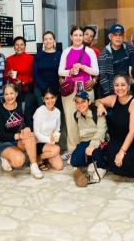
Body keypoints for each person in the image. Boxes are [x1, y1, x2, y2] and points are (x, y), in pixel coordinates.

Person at [95, 75, 134, 179]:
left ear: (128, 87)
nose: (119, 88)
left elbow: (132, 132)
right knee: (110, 157)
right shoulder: (113, 99)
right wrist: (100, 105)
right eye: (117, 85)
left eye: (123, 85)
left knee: (125, 161)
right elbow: (97, 101)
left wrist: (121, 152)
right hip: (120, 137)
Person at [58, 26, 99, 159]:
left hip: (86, 89)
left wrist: (83, 67)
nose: (78, 37)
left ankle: (89, 149)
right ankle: (72, 150)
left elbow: (96, 72)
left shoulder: (90, 51)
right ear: (71, 37)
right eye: (75, 35)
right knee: (71, 120)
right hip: (70, 89)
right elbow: (60, 71)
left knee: (87, 118)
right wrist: (69, 72)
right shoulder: (66, 51)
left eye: (80, 35)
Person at [0, 84, 43, 179]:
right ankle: (5, 157)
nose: (9, 97)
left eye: (11, 93)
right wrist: (19, 136)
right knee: (19, 160)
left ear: (16, 94)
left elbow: (29, 123)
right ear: (3, 96)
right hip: (4, 142)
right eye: (6, 94)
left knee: (29, 135)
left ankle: (34, 166)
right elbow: (2, 135)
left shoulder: (23, 105)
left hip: (19, 141)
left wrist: (28, 128)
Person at [70, 91, 107, 183]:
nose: (80, 105)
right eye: (77, 102)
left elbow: (101, 131)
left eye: (83, 102)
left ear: (89, 102)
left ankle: (101, 167)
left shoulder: (97, 112)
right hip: (85, 141)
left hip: (99, 140)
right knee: (74, 161)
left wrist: (92, 145)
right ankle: (92, 161)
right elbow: (80, 134)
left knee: (94, 150)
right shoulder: (76, 115)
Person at [98, 24, 134, 97]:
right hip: (112, 91)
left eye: (120, 35)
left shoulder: (129, 48)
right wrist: (109, 93)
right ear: (110, 37)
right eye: (115, 35)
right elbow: (103, 76)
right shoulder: (104, 54)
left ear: (123, 36)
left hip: (129, 89)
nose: (118, 37)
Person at [4, 36, 35, 122]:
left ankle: (29, 132)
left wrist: (24, 82)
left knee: (27, 114)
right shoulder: (9, 59)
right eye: (16, 45)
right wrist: (8, 74)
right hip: (13, 92)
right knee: (15, 115)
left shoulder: (31, 59)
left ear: (25, 46)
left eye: (21, 44)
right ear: (14, 47)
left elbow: (34, 76)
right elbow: (4, 76)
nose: (19, 47)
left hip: (27, 90)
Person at [32, 88, 63, 171]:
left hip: (50, 143)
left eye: (52, 97)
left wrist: (54, 139)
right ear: (43, 99)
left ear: (56, 97)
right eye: (47, 98)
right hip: (38, 143)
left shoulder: (57, 112)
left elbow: (57, 129)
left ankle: (43, 157)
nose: (50, 101)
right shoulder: (39, 111)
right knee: (57, 149)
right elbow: (36, 133)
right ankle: (36, 158)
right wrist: (49, 139)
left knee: (59, 166)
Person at [33, 31, 62, 105]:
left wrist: (53, 89)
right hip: (40, 88)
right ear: (43, 42)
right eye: (45, 39)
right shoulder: (38, 56)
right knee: (43, 112)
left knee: (55, 112)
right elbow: (35, 74)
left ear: (54, 41)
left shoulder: (60, 55)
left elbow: (62, 73)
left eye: (50, 39)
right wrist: (45, 89)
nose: (48, 41)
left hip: (55, 88)